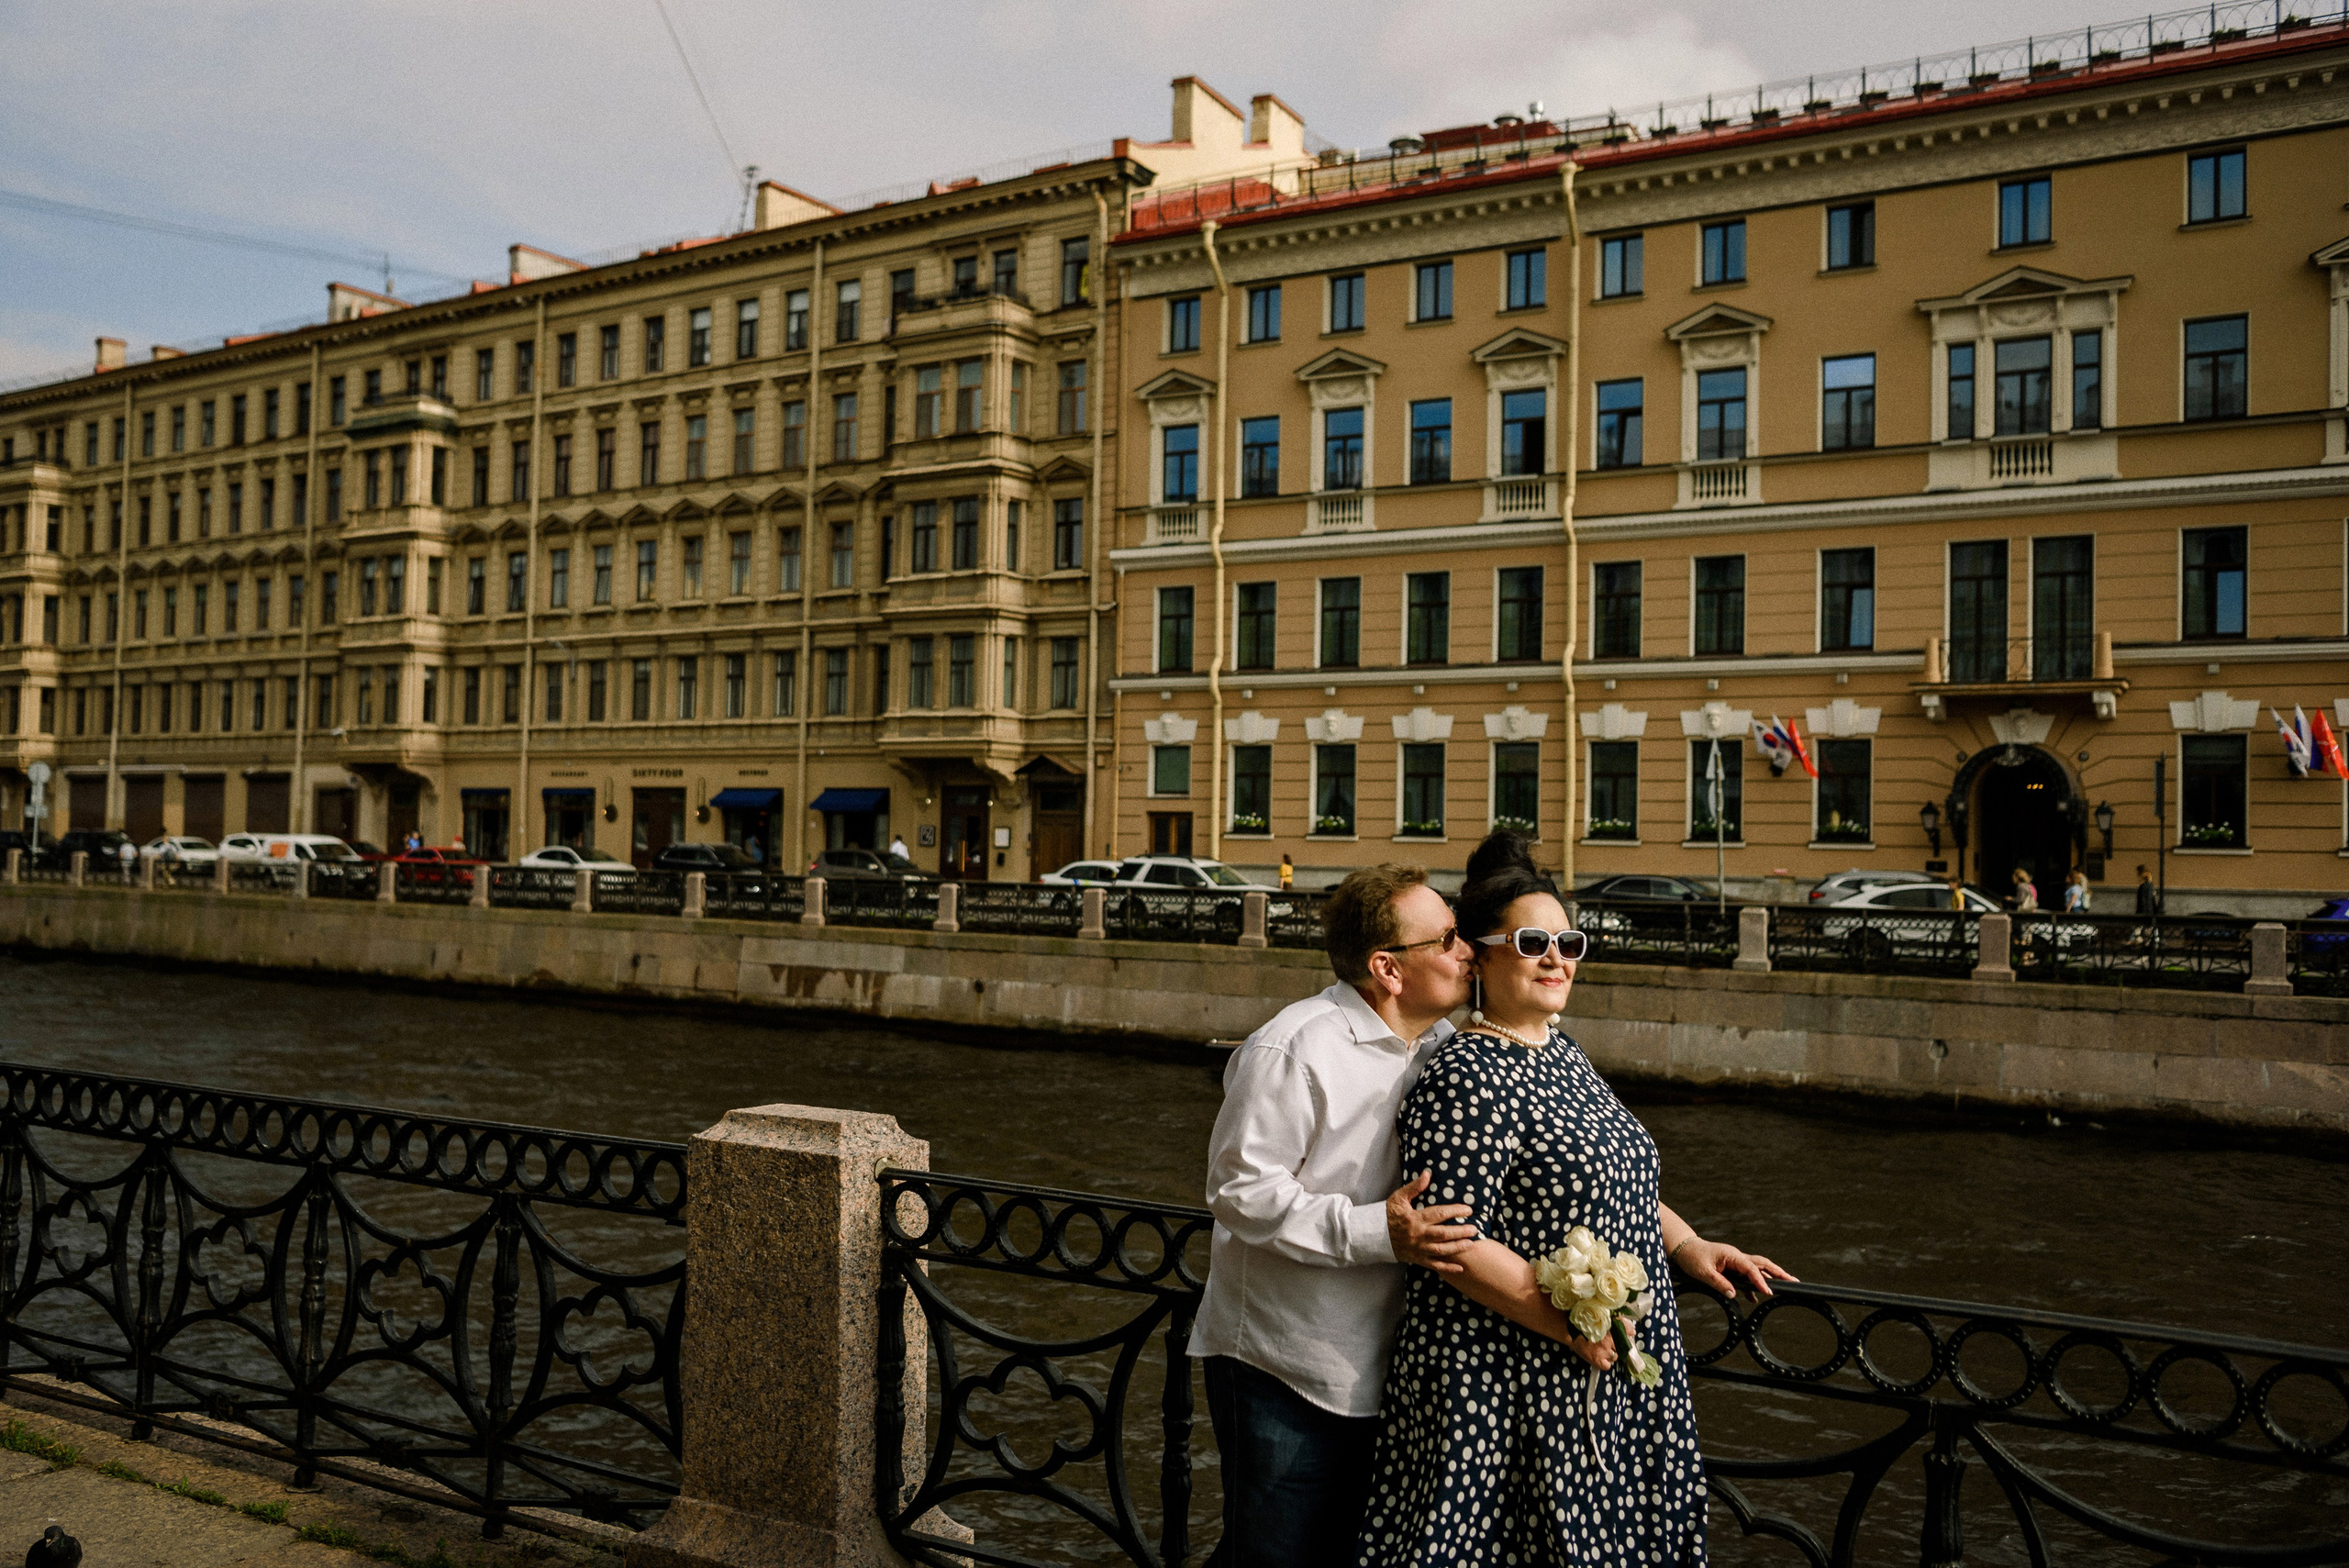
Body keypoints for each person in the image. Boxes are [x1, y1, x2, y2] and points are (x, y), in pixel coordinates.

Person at [1357, 832, 1792, 1566]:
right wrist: (1573, 1324)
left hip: (1597, 1367)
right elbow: (1450, 1238)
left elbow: (1617, 1177)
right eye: (1534, 941)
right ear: (1482, 953)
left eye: (1571, 941)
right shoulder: (1467, 1073)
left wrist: (1689, 1245)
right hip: (1508, 1387)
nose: (1558, 957)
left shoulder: (1561, 1050)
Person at [1192, 863, 1475, 1568]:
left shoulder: (1441, 1048)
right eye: (1446, 938)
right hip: (1282, 1366)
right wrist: (1380, 1230)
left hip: (1386, 1372)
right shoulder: (1295, 1045)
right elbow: (1238, 1188)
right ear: (1389, 968)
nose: (1467, 948)